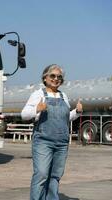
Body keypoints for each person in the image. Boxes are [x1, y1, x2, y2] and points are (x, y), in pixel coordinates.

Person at [21, 64, 83, 200]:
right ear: (45, 78)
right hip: (43, 141)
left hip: (61, 143)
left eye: (59, 77)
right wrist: (37, 109)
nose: (56, 79)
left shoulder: (63, 96)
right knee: (41, 174)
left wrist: (77, 112)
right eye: (52, 76)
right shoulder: (38, 94)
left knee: (55, 176)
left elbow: (66, 118)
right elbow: (24, 114)